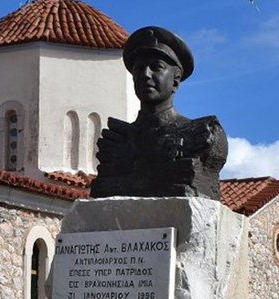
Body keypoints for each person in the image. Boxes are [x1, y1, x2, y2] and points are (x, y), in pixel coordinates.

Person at [90, 25, 228, 200]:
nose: (145, 75)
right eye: (139, 69)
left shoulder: (202, 133)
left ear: (175, 81)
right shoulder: (116, 142)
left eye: (156, 67)